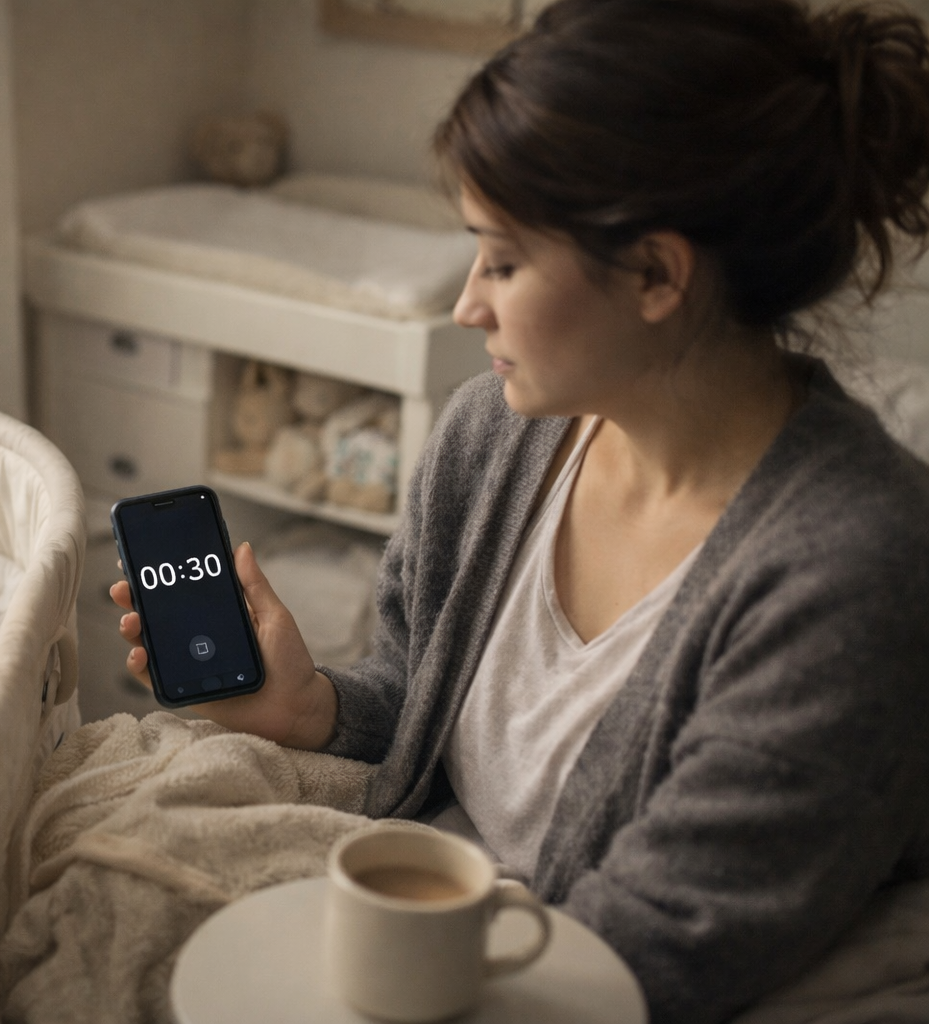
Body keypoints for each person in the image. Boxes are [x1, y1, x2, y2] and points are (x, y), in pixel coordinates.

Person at [111, 1, 929, 1020]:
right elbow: (420, 697)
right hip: (453, 916)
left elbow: (664, 945)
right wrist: (312, 706)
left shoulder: (852, 569)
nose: (467, 305)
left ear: (655, 273)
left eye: (502, 260)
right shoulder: (490, 437)